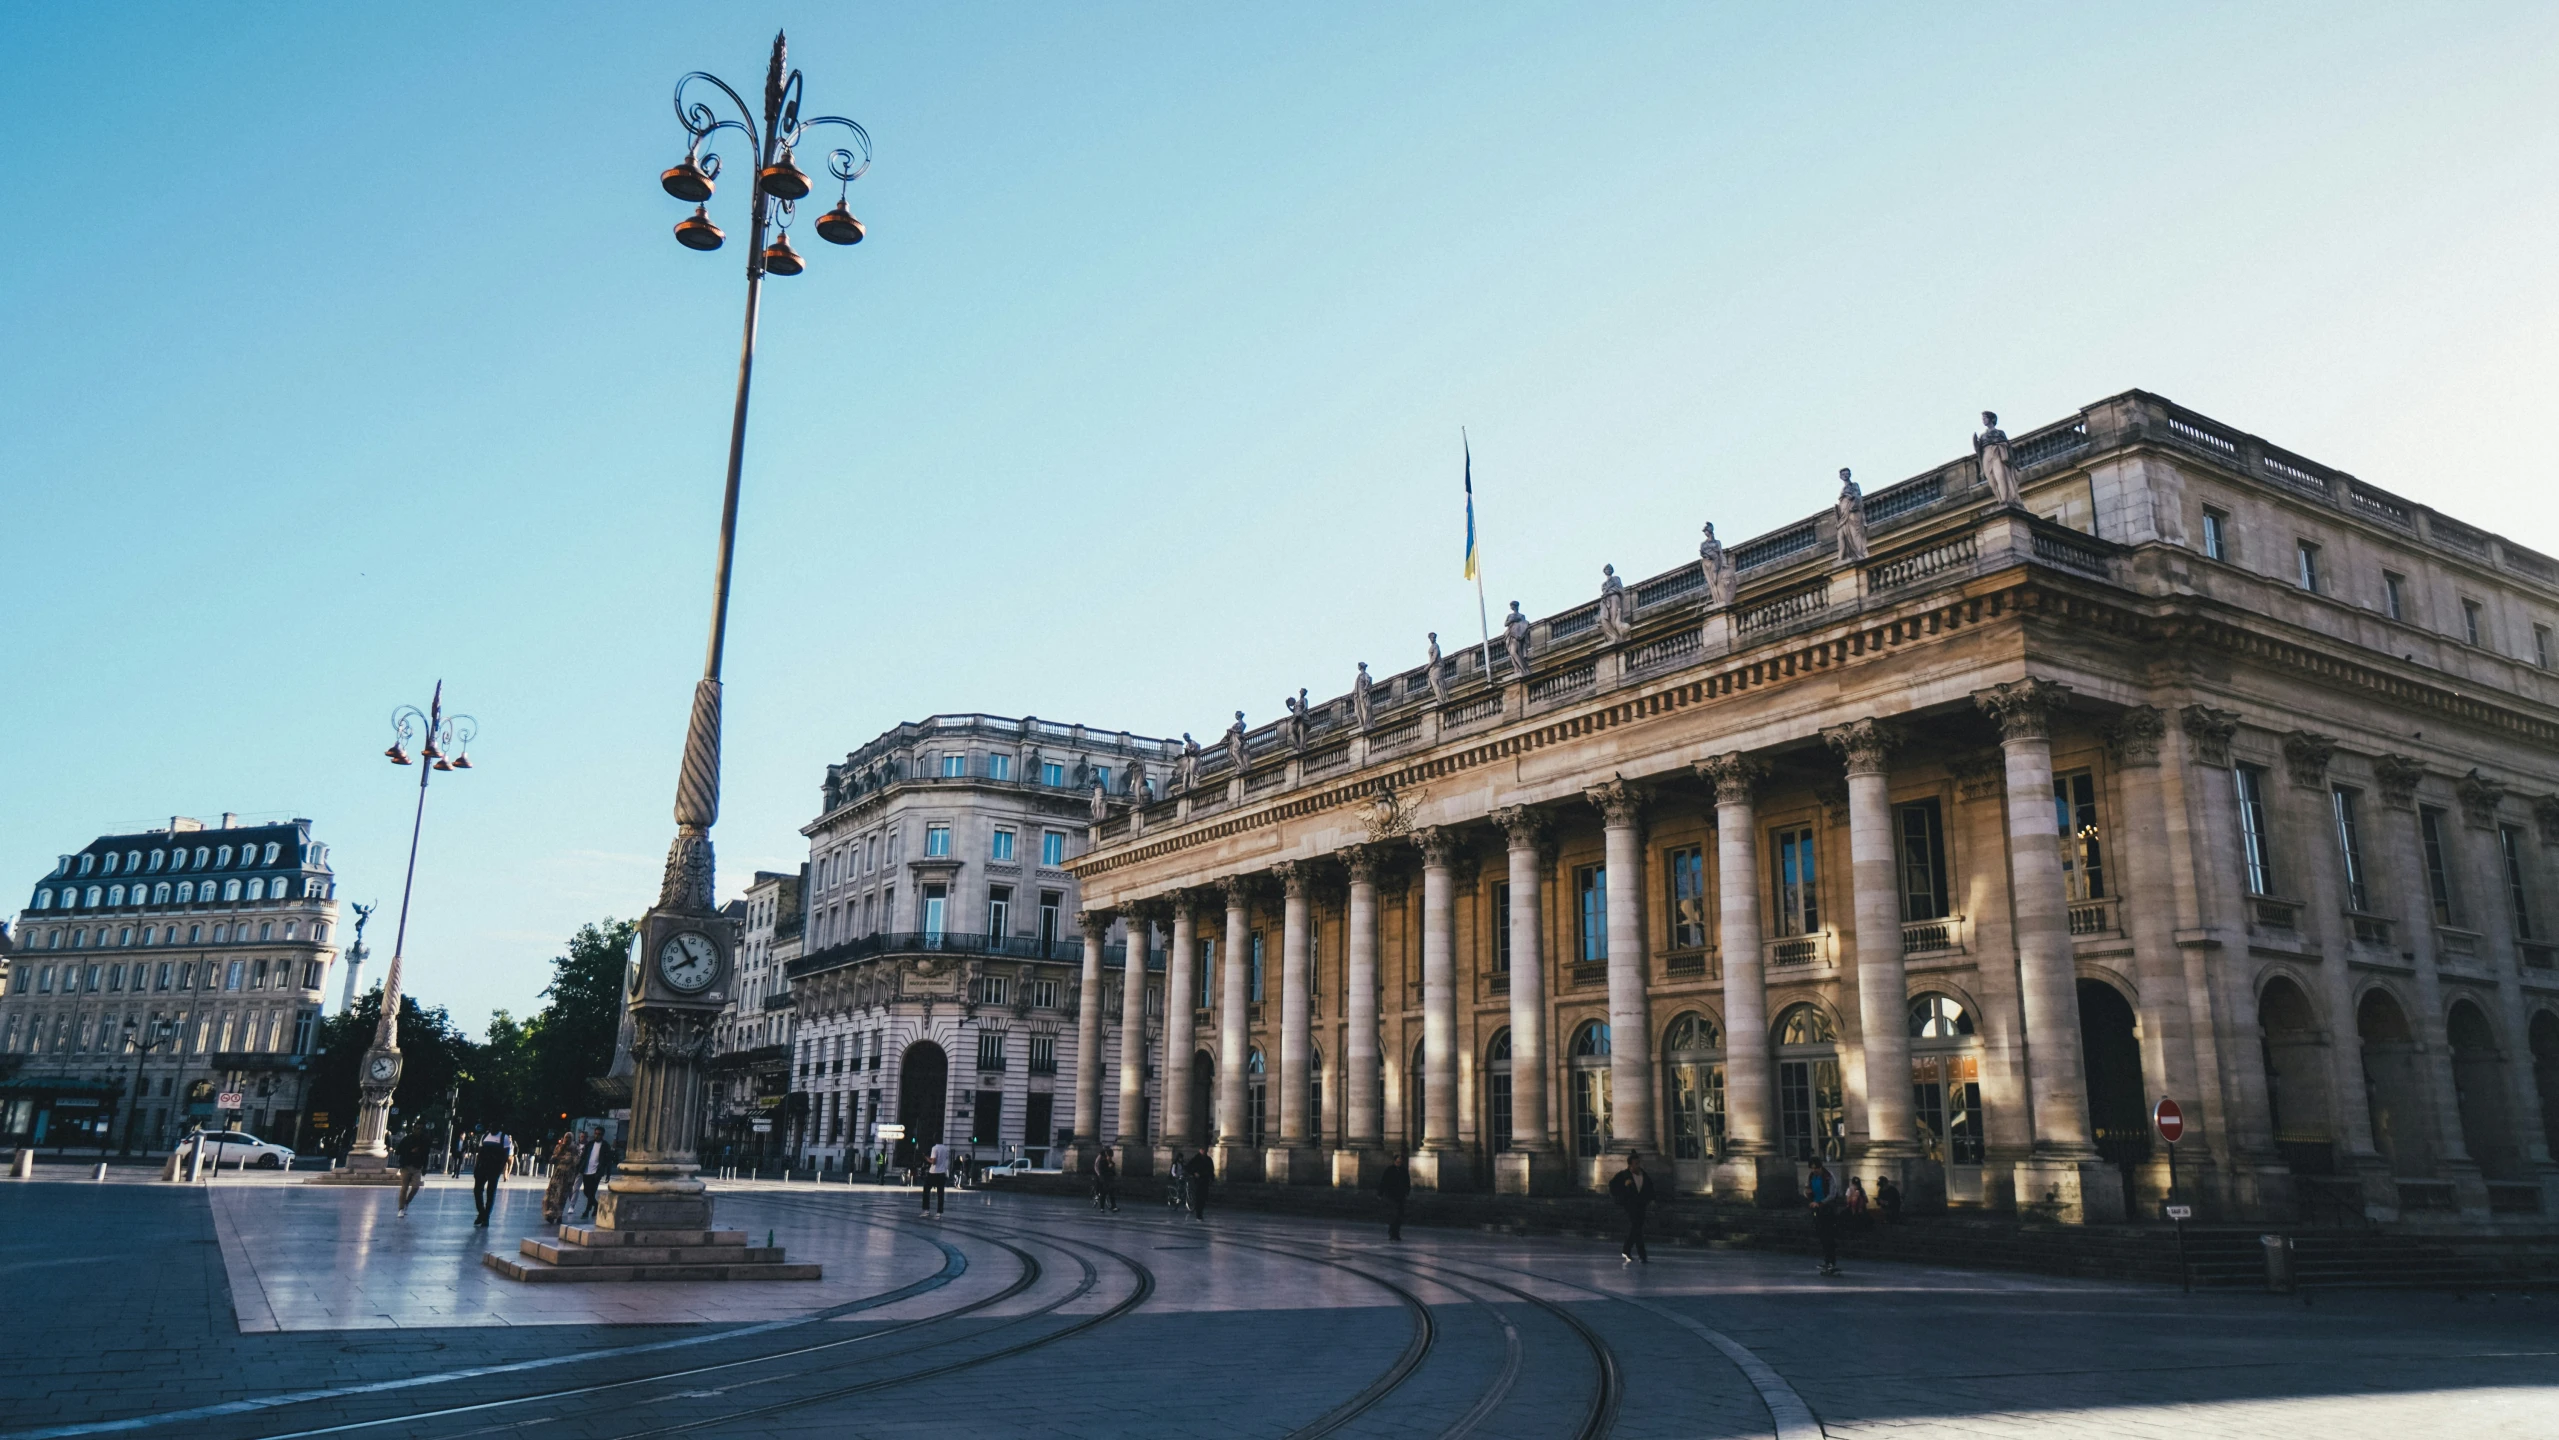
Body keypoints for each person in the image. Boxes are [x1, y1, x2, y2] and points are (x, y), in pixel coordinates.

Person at [1608, 1151, 1657, 1265]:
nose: (1638, 1165)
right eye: (1635, 1163)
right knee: (1637, 1228)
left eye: (1638, 1163)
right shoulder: (1624, 1175)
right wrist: (1621, 1194)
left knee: (1637, 1229)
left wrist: (1652, 1199)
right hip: (1630, 1205)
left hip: (1641, 1204)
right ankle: (1642, 1255)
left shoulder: (1643, 1175)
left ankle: (1627, 1250)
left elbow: (1649, 1188)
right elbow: (1613, 1186)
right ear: (1630, 1165)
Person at [1806, 1158, 1843, 1276]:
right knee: (1821, 1234)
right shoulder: (1812, 1176)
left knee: (1828, 1235)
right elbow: (1808, 1189)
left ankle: (1832, 1261)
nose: (1814, 1170)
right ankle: (1826, 1260)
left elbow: (1832, 1194)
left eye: (1816, 1168)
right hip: (1816, 1208)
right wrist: (1808, 1194)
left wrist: (1821, 1202)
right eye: (1812, 1168)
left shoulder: (1828, 1176)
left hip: (1827, 1208)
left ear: (1820, 1167)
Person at [471, 1128, 511, 1228]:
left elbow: (506, 1155)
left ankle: (486, 1217)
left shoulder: (504, 1138)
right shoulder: (484, 1136)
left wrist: (499, 1170)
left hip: (494, 1169)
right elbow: (479, 1153)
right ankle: (482, 1213)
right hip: (482, 1168)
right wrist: (476, 1168)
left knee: (490, 1193)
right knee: (477, 1191)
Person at [541, 1132, 581, 1224]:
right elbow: (553, 1159)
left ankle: (559, 1215)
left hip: (567, 1175)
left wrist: (562, 1158)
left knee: (562, 1196)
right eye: (566, 1137)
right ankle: (550, 1214)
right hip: (557, 1174)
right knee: (552, 1194)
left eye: (569, 1138)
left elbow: (575, 1161)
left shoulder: (574, 1149)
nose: (567, 1140)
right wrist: (559, 1154)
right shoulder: (559, 1147)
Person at [394, 1126, 431, 1216]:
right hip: (406, 1166)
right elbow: (398, 1151)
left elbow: (426, 1155)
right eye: (417, 1129)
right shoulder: (407, 1139)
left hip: (417, 1167)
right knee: (404, 1188)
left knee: (415, 1187)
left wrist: (425, 1167)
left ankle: (406, 1202)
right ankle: (401, 1208)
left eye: (421, 1129)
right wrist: (410, 1151)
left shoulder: (424, 1141)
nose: (419, 1131)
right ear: (413, 1129)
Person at [578, 1128, 611, 1220]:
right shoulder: (590, 1144)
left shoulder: (605, 1146)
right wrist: (579, 1168)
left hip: (597, 1172)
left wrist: (608, 1174)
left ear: (602, 1135)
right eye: (596, 1133)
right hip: (586, 1170)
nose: (597, 1135)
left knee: (592, 1192)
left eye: (599, 1134)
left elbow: (608, 1161)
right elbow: (583, 1157)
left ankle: (587, 1211)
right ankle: (596, 1205)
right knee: (586, 1191)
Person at [1379, 1150, 1411, 1241]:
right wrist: (1380, 1193)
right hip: (1391, 1196)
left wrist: (1407, 1192)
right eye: (1397, 1162)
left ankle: (1396, 1232)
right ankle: (1393, 1232)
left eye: (1400, 1162)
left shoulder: (1404, 1171)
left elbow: (1407, 1182)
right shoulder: (1389, 1170)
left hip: (1400, 1196)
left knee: (1399, 1216)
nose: (1399, 1163)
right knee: (1394, 1215)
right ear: (1394, 1161)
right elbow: (1384, 1182)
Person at [922, 1138, 951, 1216]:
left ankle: (926, 1210)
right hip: (942, 1172)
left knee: (926, 1191)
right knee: (940, 1193)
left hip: (933, 1172)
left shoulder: (935, 1148)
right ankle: (939, 1212)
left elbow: (934, 1162)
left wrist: (927, 1158)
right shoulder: (945, 1148)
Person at [1185, 1147, 1214, 1221]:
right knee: (1198, 1197)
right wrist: (1194, 1173)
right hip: (1198, 1181)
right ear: (1200, 1150)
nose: (1204, 1151)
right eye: (1202, 1149)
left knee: (1204, 1198)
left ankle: (1200, 1212)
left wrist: (1212, 1178)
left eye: (1205, 1149)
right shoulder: (1196, 1159)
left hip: (1205, 1180)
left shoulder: (1208, 1159)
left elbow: (1211, 1170)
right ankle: (1199, 1214)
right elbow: (1188, 1167)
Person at [1093, 1149, 1120, 1213]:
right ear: (1106, 1156)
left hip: (1109, 1180)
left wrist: (1111, 1168)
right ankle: (1102, 1208)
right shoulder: (1102, 1162)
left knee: (1111, 1194)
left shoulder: (1112, 1163)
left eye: (1111, 1157)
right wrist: (1107, 1168)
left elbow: (1114, 1172)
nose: (1110, 1158)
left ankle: (1114, 1207)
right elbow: (1099, 1169)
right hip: (1103, 1179)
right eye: (1109, 1156)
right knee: (1103, 1194)